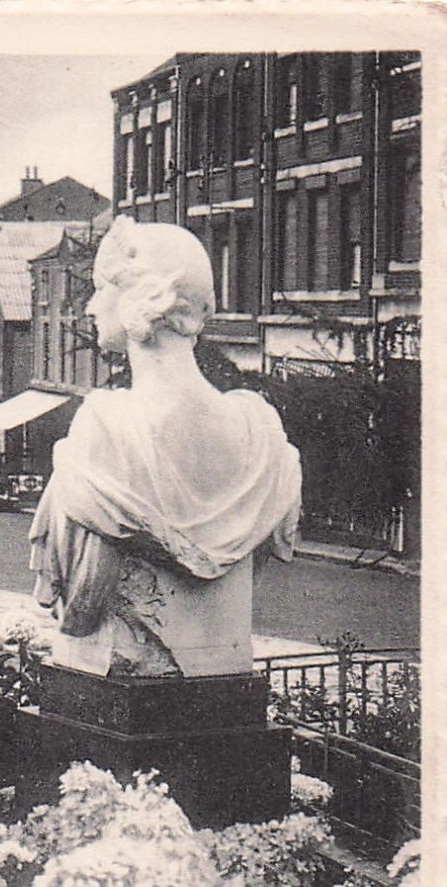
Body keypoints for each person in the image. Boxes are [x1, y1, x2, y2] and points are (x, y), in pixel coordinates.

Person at [28, 217, 301, 678]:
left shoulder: (106, 425)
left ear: (144, 297)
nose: (91, 307)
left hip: (119, 673)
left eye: (102, 289)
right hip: (221, 670)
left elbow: (78, 606)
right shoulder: (260, 429)